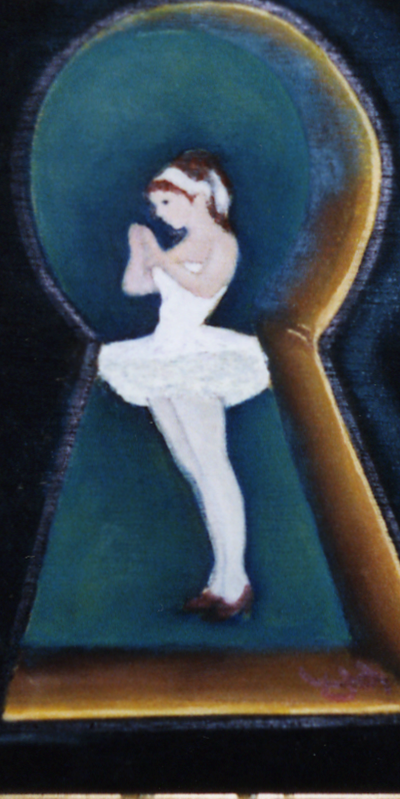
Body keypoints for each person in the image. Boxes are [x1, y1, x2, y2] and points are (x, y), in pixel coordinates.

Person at [97, 151, 270, 619]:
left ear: (197, 198)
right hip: (161, 356)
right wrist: (141, 252)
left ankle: (236, 581)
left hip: (195, 359)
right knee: (192, 467)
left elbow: (204, 287)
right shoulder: (183, 243)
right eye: (156, 206)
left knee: (212, 466)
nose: (159, 213)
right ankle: (220, 578)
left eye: (167, 203)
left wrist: (160, 258)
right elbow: (136, 288)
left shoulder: (222, 242)